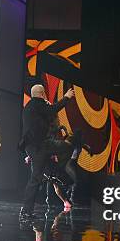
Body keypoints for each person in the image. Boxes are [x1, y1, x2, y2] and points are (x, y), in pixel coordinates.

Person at [20, 84, 75, 221]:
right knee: (66, 146)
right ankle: (26, 211)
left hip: (35, 146)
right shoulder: (37, 104)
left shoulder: (30, 107)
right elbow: (53, 110)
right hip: (39, 146)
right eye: (44, 94)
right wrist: (66, 98)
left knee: (37, 177)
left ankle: (26, 211)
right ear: (42, 94)